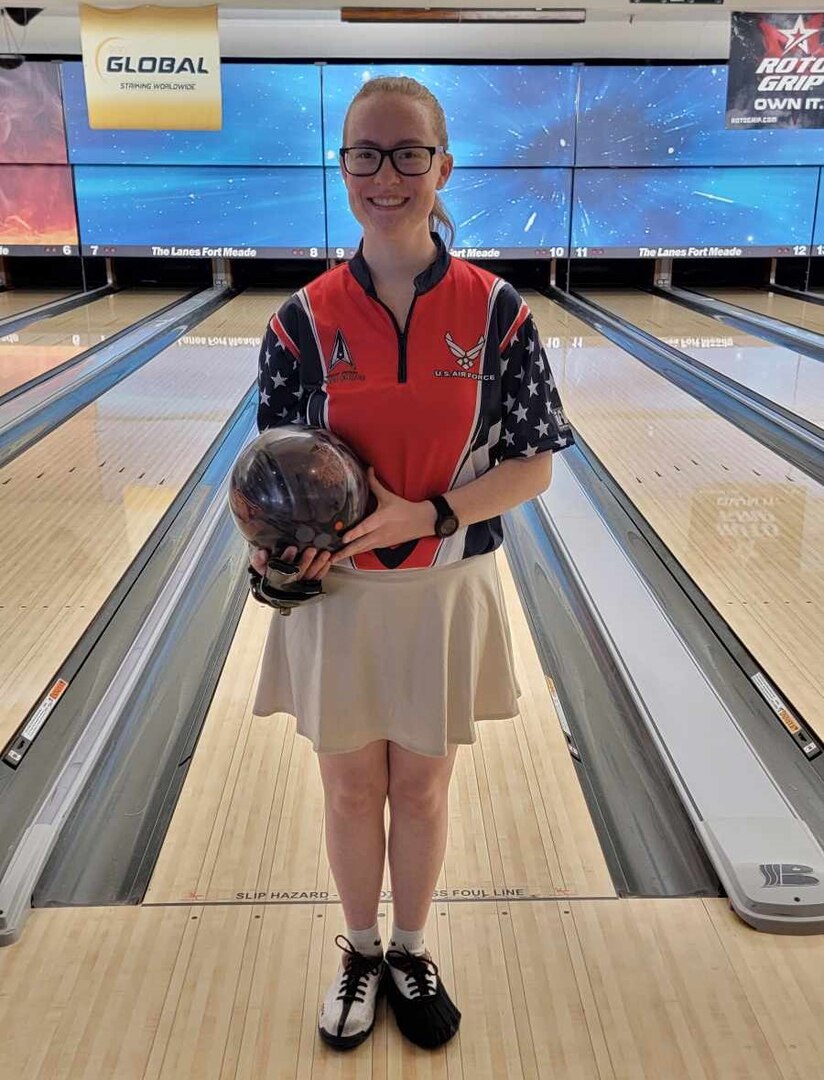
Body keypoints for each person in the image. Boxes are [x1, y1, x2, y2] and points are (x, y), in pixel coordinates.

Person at [248, 75, 574, 1052]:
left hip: (444, 584)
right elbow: (275, 479)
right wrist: (281, 559)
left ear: (442, 166)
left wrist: (423, 512)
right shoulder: (298, 322)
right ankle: (356, 950)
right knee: (350, 787)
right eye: (364, 154)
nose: (384, 175)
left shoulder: (497, 312)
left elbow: (533, 467)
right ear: (341, 165)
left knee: (423, 788)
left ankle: (409, 948)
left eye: (406, 154)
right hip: (343, 596)